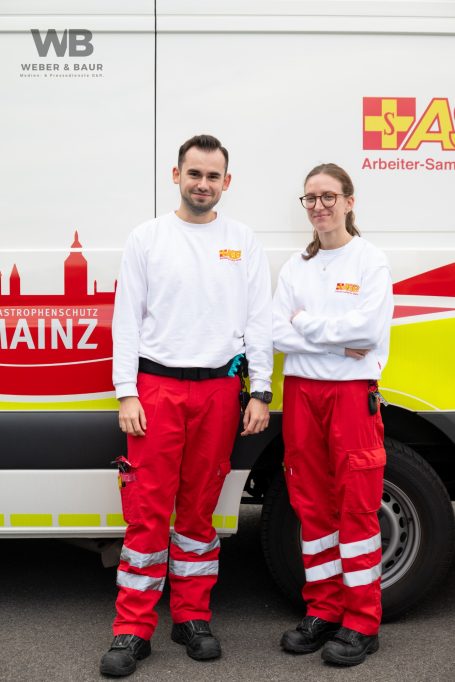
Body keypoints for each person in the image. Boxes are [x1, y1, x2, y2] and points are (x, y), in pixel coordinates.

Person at [100, 134, 273, 677]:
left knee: (199, 510)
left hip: (220, 390)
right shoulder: (148, 238)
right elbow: (126, 320)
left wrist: (261, 390)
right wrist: (126, 391)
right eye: (194, 173)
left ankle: (192, 617)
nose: (203, 184)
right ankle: (132, 629)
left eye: (212, 176)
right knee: (147, 511)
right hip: (156, 389)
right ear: (176, 176)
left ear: (227, 182)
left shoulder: (242, 241)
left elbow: (259, 319)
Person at [272, 163, 393, 667]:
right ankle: (323, 609)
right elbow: (277, 333)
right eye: (311, 198)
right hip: (302, 394)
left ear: (349, 201)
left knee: (357, 507)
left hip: (350, 397)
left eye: (328, 196)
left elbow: (366, 332)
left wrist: (305, 323)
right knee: (312, 506)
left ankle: (362, 622)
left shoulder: (370, 261)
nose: (318, 206)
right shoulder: (295, 267)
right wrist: (334, 340)